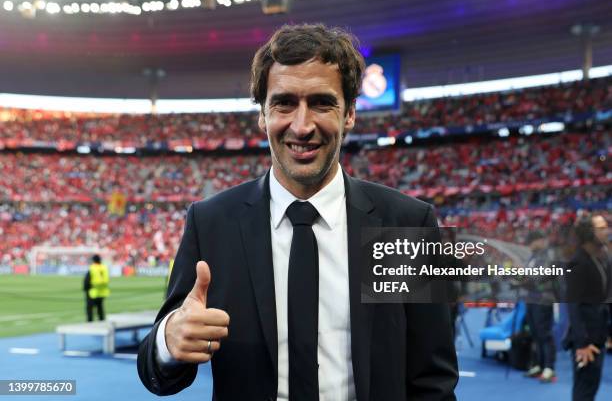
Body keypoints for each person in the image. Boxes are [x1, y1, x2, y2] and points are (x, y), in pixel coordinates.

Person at [137, 23, 458, 400]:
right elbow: (157, 371)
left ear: (350, 112)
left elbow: (433, 379)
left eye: (322, 102)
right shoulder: (212, 223)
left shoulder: (408, 222)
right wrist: (168, 338)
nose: (302, 126)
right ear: (262, 114)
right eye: (284, 103)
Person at [563, 214, 610, 401]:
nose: (607, 231)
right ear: (589, 233)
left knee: (591, 386)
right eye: (601, 228)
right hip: (585, 340)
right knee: (584, 389)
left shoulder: (599, 258)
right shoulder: (579, 261)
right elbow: (573, 304)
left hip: (597, 335)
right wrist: (581, 343)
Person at [522, 230, 557, 383]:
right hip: (531, 299)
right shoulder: (533, 256)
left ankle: (549, 368)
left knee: (544, 334)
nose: (529, 246)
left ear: (539, 240)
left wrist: (526, 279)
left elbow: (541, 276)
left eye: (531, 242)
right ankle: (539, 364)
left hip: (543, 300)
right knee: (535, 333)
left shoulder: (549, 255)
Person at [84, 254, 110, 322]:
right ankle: (102, 322)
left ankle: (90, 323)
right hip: (102, 292)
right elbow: (107, 279)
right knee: (100, 309)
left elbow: (87, 280)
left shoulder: (93, 268)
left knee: (90, 309)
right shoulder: (104, 268)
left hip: (93, 292)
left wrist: (86, 289)